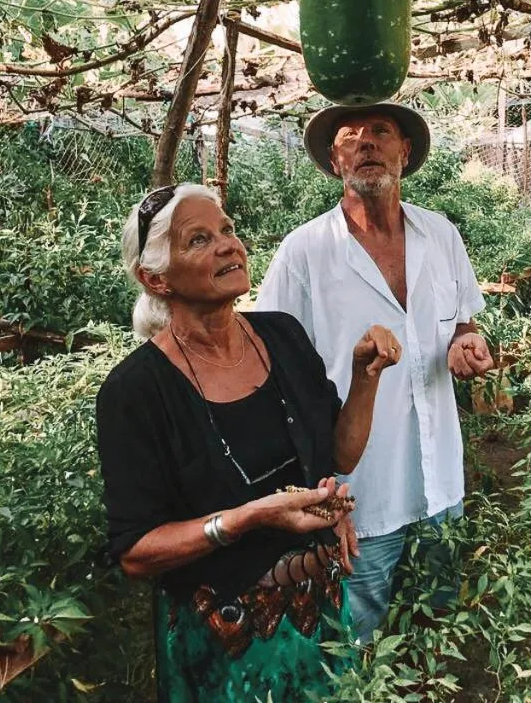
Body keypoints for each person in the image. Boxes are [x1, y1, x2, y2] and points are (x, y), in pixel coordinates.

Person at [96, 183, 401, 702]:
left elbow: (340, 455)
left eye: (228, 230)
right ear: (155, 278)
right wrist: (250, 517)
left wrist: (365, 376)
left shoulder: (282, 336)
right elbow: (136, 553)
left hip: (317, 610)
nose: (227, 245)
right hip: (222, 637)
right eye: (199, 239)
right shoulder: (136, 391)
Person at [257, 103, 495, 643]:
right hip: (359, 493)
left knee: (440, 626)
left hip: (441, 483)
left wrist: (467, 342)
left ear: (404, 151)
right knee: (356, 641)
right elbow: (274, 375)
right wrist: (309, 487)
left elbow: (462, 321)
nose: (366, 142)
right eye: (350, 136)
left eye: (380, 132)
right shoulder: (304, 253)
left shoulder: (442, 236)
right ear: (334, 160)